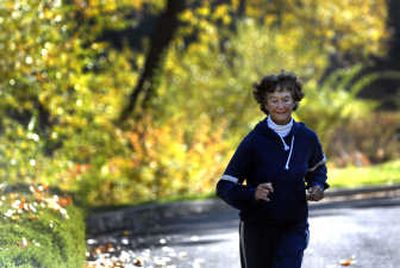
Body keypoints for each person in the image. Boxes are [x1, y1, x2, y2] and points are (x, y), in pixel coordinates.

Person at [216, 71, 329, 268]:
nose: (280, 106)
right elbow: (224, 186)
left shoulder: (307, 138)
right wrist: (253, 194)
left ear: (295, 101)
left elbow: (317, 170)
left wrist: (317, 186)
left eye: (286, 99)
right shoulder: (253, 141)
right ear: (265, 105)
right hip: (257, 227)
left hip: (294, 224)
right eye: (274, 100)